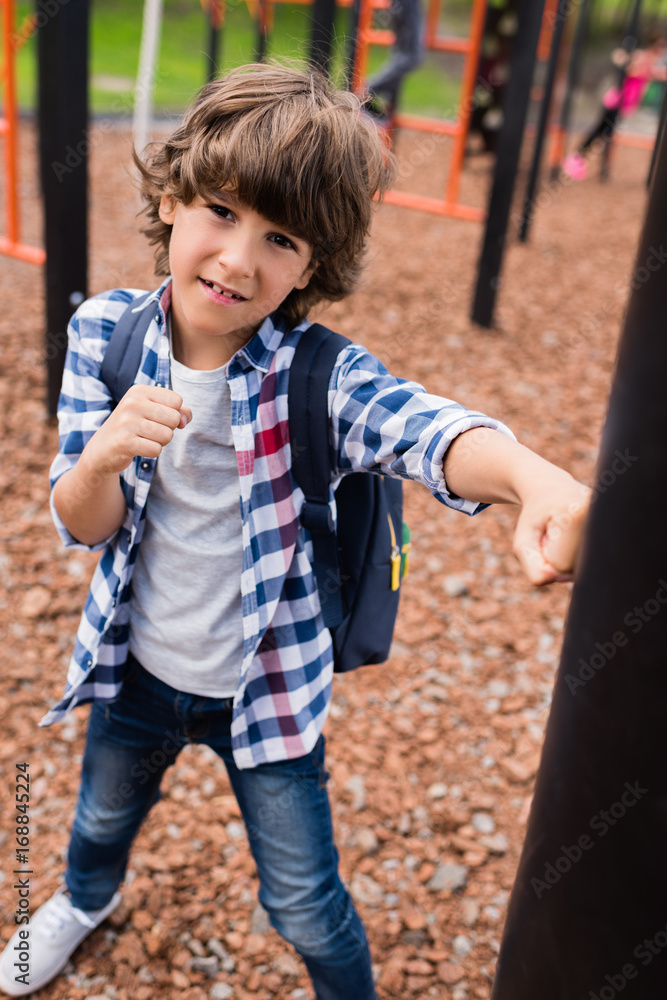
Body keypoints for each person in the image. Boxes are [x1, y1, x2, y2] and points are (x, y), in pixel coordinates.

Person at [0, 63, 590, 999]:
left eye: (280, 239)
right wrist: (103, 455)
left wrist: (528, 476)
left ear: (311, 267)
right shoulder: (103, 336)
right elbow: (82, 521)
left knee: (305, 899)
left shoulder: (315, 377)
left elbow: (425, 428)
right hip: (136, 671)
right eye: (222, 213)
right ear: (172, 198)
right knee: (100, 821)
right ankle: (79, 899)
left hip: (267, 697)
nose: (239, 259)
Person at [563, 32, 667, 180]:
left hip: (622, 103)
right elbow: (624, 62)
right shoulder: (642, 57)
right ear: (654, 45)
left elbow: (659, 74)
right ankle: (583, 162)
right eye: (660, 46)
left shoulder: (651, 63)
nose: (661, 49)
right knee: (603, 133)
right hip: (615, 101)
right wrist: (638, 65)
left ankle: (582, 161)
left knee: (603, 132)